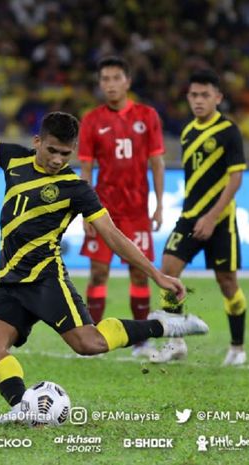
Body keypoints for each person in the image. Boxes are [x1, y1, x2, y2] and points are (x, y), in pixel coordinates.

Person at [0, 75, 209, 421]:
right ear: (37, 142)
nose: (58, 159)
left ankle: (161, 325)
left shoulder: (75, 188)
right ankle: (21, 408)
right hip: (12, 280)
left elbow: (112, 235)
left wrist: (155, 274)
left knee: (88, 344)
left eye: (65, 153)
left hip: (46, 278)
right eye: (52, 151)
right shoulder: (14, 160)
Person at [150, 69, 249, 366]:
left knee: (227, 282)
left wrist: (212, 216)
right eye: (194, 95)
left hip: (220, 220)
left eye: (205, 95)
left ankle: (237, 347)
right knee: (167, 272)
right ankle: (176, 341)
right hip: (189, 216)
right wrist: (197, 216)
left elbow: (236, 179)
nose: (198, 100)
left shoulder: (229, 131)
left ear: (218, 97)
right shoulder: (187, 131)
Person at [78, 56, 165, 358]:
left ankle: (141, 341)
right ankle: (94, 338)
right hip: (104, 211)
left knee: (140, 273)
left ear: (127, 81)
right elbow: (86, 169)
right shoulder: (91, 120)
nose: (111, 84)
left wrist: (159, 205)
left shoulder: (147, 116)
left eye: (116, 78)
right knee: (98, 273)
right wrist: (84, 210)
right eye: (105, 79)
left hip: (138, 210)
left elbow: (156, 162)